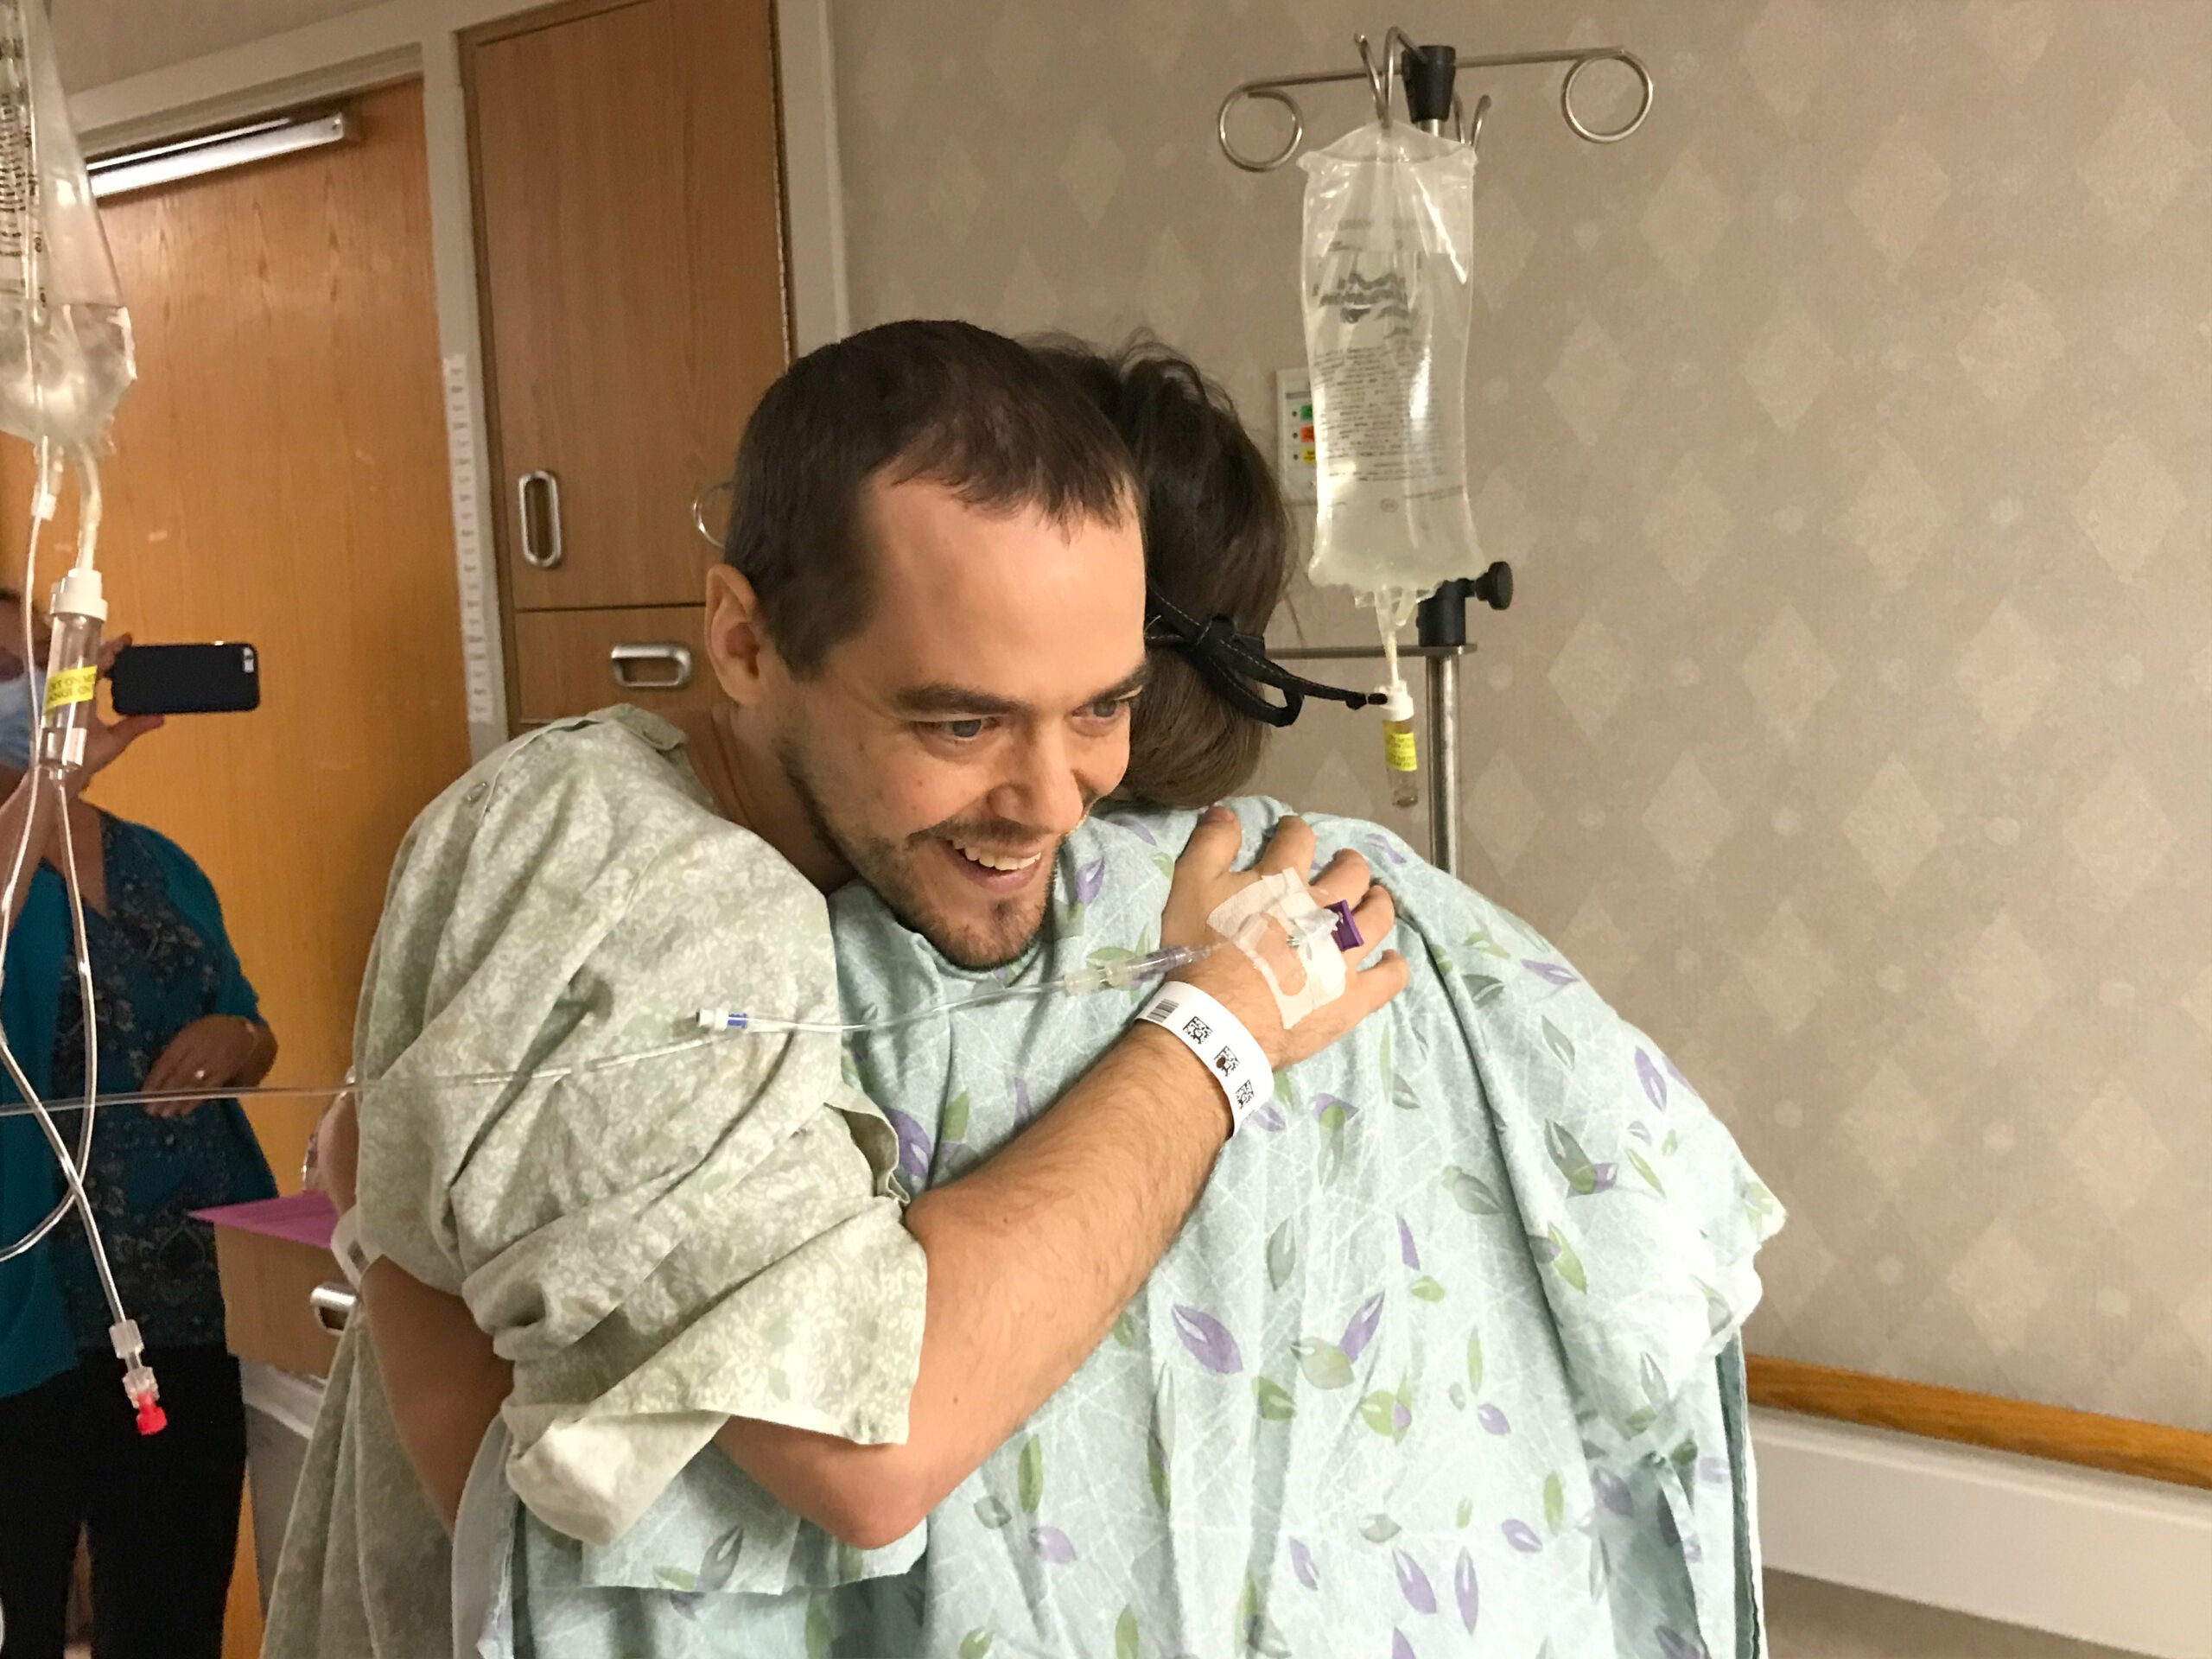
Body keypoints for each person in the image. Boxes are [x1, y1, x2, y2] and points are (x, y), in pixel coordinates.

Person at [264, 321, 1407, 1656]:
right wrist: (1215, 1030)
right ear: (744, 644)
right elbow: (874, 1451)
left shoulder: (869, 876)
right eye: (962, 722)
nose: (1050, 800)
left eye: (1101, 708)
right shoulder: (653, 884)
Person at [0, 588, 280, 1659]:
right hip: (28, 1319)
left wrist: (233, 1038)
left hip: (187, 1306)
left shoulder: (155, 861)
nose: (36, 691)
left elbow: (252, 1026)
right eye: (12, 671)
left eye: (48, 662)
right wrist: (51, 786)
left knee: (170, 1617)